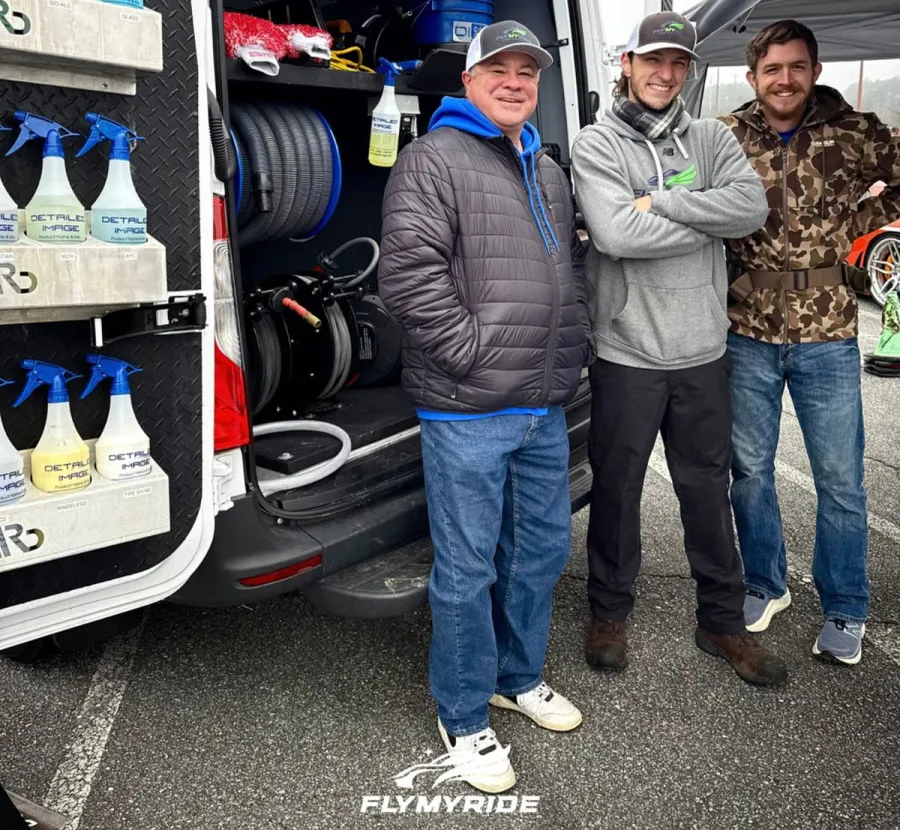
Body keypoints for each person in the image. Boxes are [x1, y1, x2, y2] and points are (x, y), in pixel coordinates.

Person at [378, 20, 590, 793]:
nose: (513, 82)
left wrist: (573, 350)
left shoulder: (545, 165)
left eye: (526, 72)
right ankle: (464, 714)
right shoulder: (432, 160)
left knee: (541, 550)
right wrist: (472, 356)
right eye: (496, 69)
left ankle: (515, 675)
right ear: (467, 81)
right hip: (468, 408)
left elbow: (566, 269)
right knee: (466, 567)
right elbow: (409, 279)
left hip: (541, 403)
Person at [571, 11, 787, 686]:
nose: (665, 74)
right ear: (626, 64)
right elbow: (614, 236)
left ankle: (721, 621)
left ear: (689, 71)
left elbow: (749, 210)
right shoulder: (596, 144)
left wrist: (658, 202)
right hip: (627, 352)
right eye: (652, 60)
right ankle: (608, 612)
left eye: (678, 63)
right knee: (617, 492)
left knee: (705, 491)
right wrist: (703, 217)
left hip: (700, 352)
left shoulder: (713, 139)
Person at [721, 19, 900, 665]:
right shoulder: (726, 134)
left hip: (827, 330)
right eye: (773, 69)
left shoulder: (855, 132)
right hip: (748, 329)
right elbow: (686, 188)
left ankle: (847, 605)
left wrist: (868, 217)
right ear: (754, 77)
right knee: (748, 472)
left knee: (842, 481)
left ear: (814, 70)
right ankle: (767, 584)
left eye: (796, 66)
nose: (785, 79)